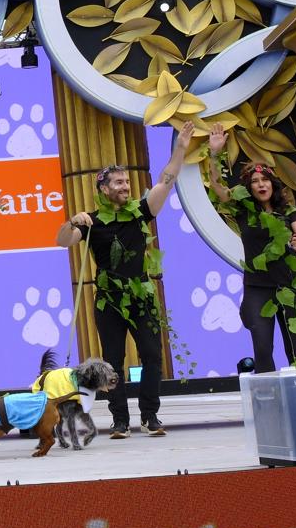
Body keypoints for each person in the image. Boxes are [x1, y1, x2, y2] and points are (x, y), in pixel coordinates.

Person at [55, 121, 194, 439]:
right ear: (103, 188)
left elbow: (166, 181)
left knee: (152, 354)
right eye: (118, 182)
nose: (125, 186)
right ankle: (120, 420)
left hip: (141, 295)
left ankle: (150, 415)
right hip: (108, 299)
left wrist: (181, 148)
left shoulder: (141, 211)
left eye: (126, 182)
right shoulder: (92, 220)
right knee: (112, 361)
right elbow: (63, 241)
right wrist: (71, 221)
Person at [202, 125, 296, 372]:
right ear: (249, 187)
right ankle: (270, 404)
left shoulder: (289, 211)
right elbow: (217, 187)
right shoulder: (243, 210)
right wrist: (214, 154)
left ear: (273, 184)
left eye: (265, 180)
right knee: (262, 350)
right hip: (257, 288)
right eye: (255, 181)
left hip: (290, 286)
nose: (261, 185)